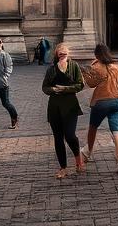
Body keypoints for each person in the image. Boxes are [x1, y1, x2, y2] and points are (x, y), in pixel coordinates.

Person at [81, 43, 118, 175]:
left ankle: (88, 152)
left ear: (97, 55)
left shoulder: (97, 66)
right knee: (117, 131)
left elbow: (91, 84)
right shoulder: (116, 66)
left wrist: (89, 69)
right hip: (117, 100)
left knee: (93, 127)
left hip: (101, 101)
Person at [41, 42, 85, 179]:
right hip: (54, 106)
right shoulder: (51, 69)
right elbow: (45, 87)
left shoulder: (74, 66)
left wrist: (65, 89)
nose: (62, 56)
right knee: (58, 138)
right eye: (60, 54)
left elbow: (80, 85)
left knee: (70, 135)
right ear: (57, 55)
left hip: (70, 105)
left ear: (68, 55)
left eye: (64, 54)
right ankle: (63, 167)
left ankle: (78, 158)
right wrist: (53, 90)